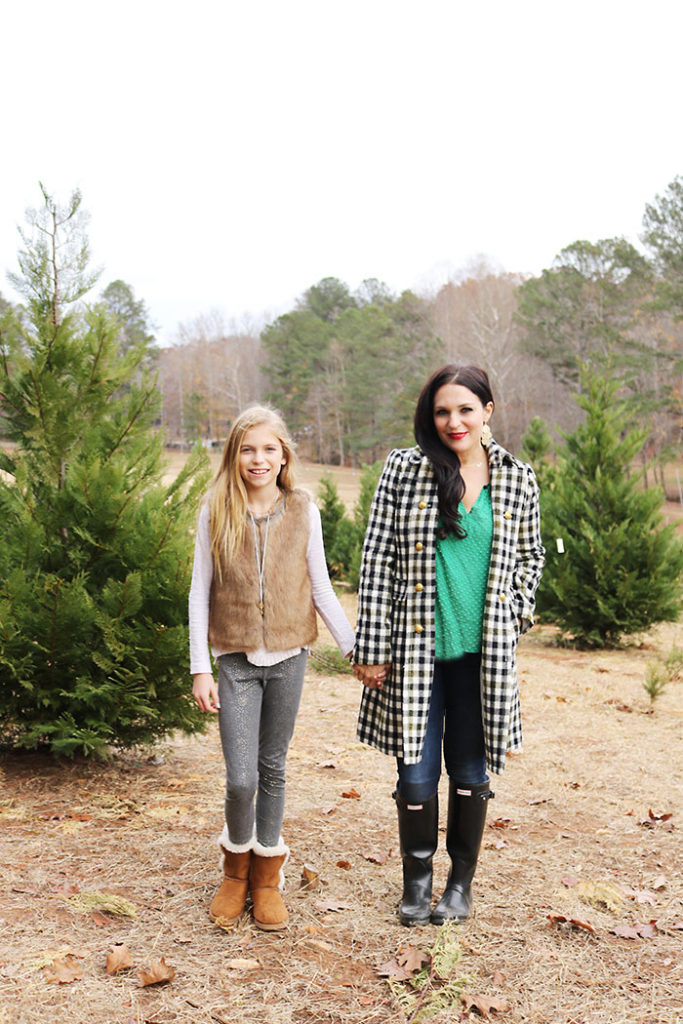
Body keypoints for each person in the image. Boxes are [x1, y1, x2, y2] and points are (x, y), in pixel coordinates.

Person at [353, 365, 544, 927]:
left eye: (464, 409)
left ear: (488, 409)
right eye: (441, 411)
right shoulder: (404, 470)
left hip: (481, 657)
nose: (453, 421)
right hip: (414, 654)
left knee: (468, 771)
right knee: (414, 774)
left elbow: (532, 559)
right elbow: (377, 559)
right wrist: (370, 644)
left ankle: (459, 886)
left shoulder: (517, 479)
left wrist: (514, 613)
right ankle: (417, 883)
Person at [190, 405, 355, 931]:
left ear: (284, 454)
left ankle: (265, 877)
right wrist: (200, 667)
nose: (258, 459)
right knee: (241, 779)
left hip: (288, 658)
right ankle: (235, 868)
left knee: (273, 768)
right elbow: (199, 592)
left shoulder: (303, 509)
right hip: (235, 660)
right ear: (234, 456)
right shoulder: (215, 508)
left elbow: (322, 587)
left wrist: (356, 649)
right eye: (247, 449)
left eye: (269, 448)